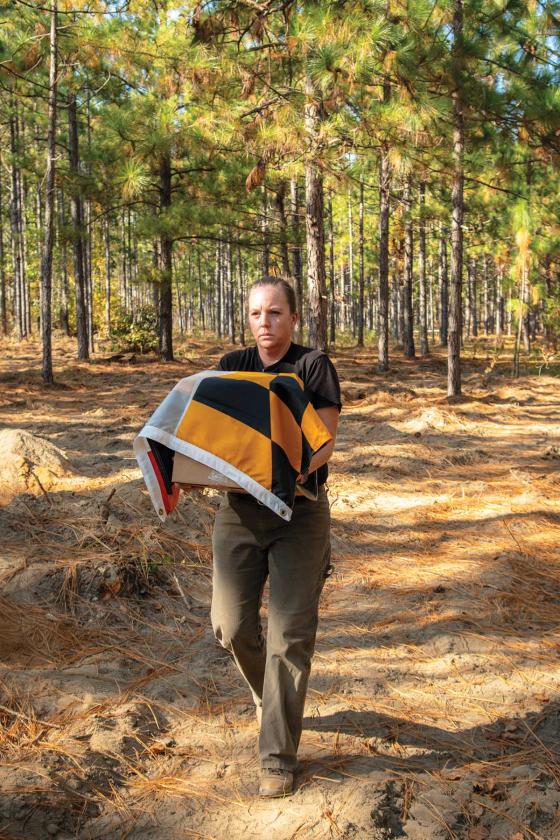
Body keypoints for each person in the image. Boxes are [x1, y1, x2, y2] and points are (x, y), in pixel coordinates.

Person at [211, 276, 341, 798]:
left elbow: (325, 441)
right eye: (255, 314)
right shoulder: (231, 367)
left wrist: (283, 474)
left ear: (292, 317)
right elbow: (213, 436)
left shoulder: (312, 367)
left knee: (289, 638)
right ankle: (273, 695)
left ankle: (277, 756)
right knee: (230, 624)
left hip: (299, 513)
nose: (264, 324)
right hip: (240, 513)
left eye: (274, 314)